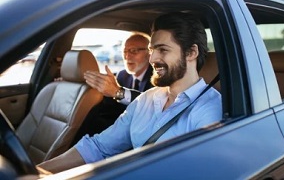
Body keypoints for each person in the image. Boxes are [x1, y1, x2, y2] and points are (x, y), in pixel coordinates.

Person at [37, 11, 222, 174]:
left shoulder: (209, 109)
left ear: (191, 53)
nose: (152, 59)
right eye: (151, 50)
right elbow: (97, 147)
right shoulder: (146, 99)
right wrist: (40, 172)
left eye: (163, 50)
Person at [72, 34, 154, 144]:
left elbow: (151, 105)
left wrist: (117, 92)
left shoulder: (156, 78)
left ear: (149, 53)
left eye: (134, 51)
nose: (127, 56)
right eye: (124, 51)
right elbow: (113, 108)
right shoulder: (122, 75)